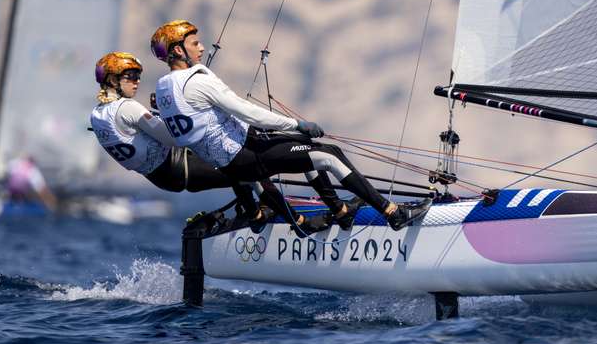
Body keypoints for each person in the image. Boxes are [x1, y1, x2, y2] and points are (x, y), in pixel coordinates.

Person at [149, 20, 430, 231]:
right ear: (177, 50)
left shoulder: (162, 89)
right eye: (194, 43)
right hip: (248, 155)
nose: (201, 47)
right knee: (328, 155)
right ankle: (393, 213)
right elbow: (247, 112)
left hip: (235, 161)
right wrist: (297, 124)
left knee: (306, 155)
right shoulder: (197, 80)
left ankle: (341, 211)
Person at [90, 51, 329, 234]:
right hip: (181, 166)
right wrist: (173, 114)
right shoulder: (128, 107)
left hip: (166, 176)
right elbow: (173, 138)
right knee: (249, 167)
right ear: (112, 80)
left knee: (240, 167)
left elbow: (140, 138)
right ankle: (297, 223)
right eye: (130, 77)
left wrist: (163, 114)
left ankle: (256, 213)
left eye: (138, 76)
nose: (137, 81)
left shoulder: (98, 114)